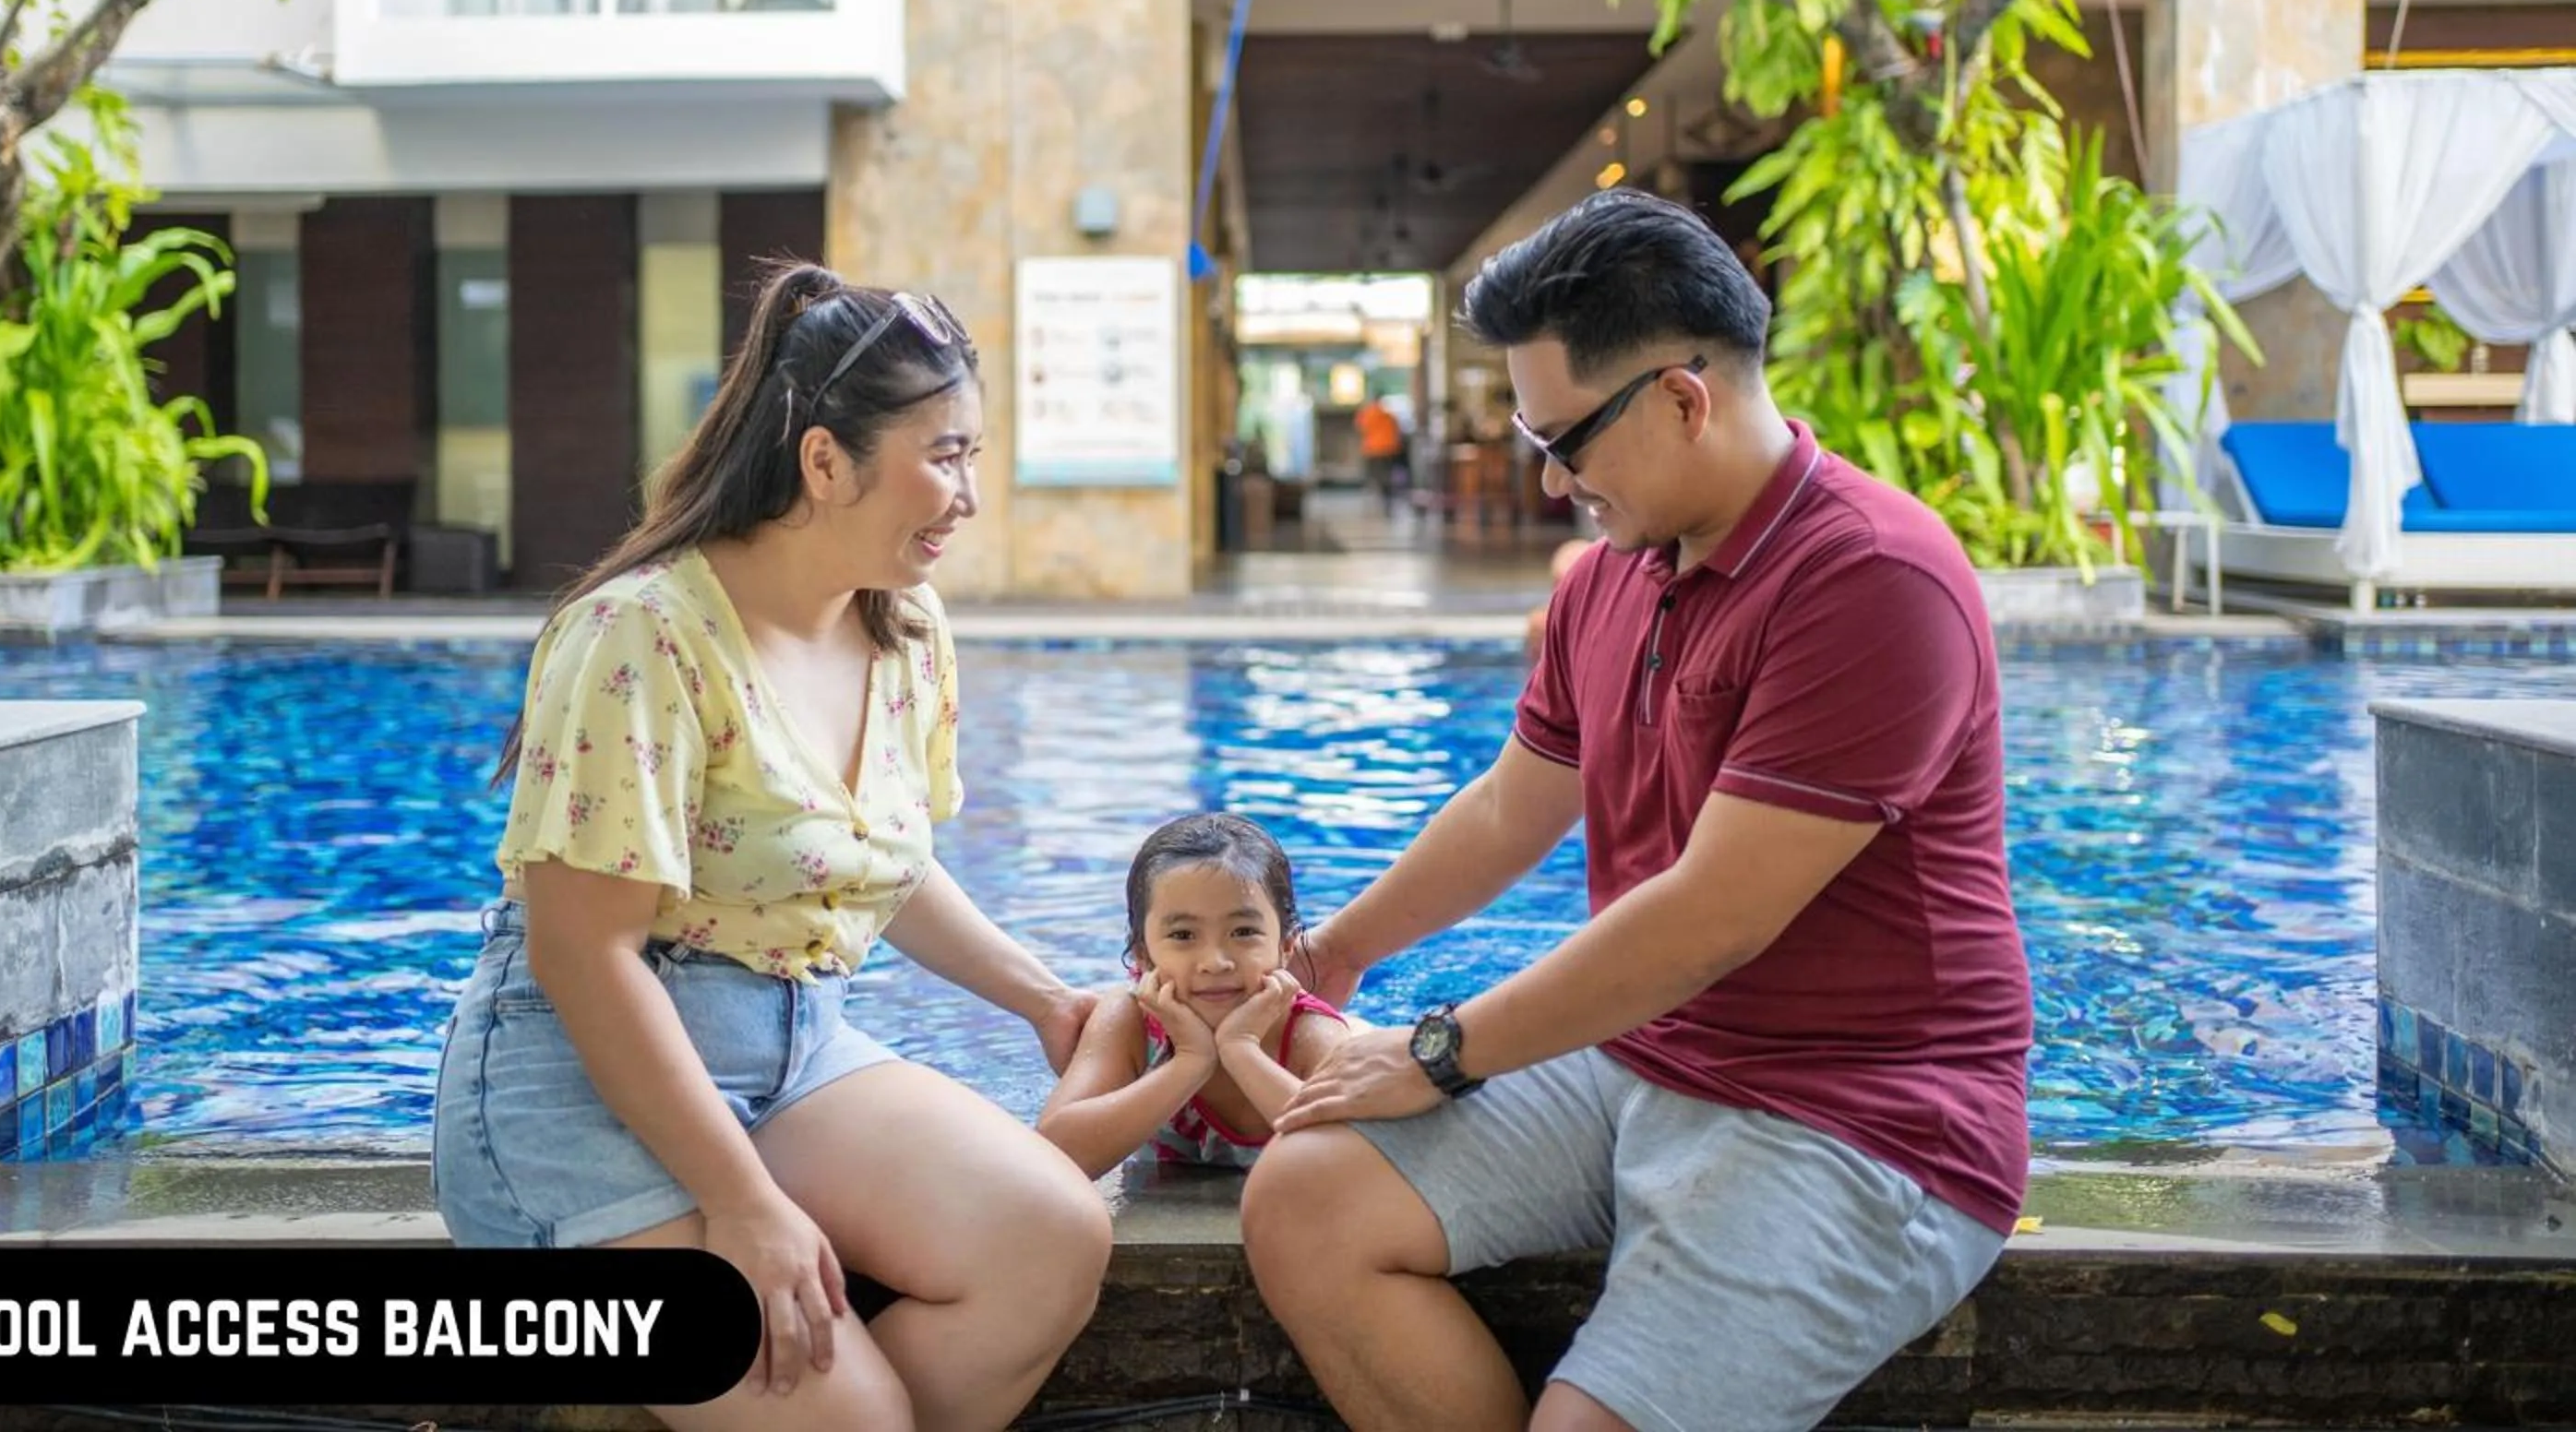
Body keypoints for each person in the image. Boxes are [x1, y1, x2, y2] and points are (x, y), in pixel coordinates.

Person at [1243, 192, 2030, 1432]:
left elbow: (1714, 918)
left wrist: (1437, 1052)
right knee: (1304, 1201)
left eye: (1567, 442)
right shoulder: (1614, 576)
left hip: (1864, 1120)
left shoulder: (1872, 579)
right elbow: (1515, 804)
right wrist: (1337, 951)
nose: (1553, 482)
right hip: (1650, 1064)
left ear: (1680, 397)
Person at [431, 263, 1112, 1432]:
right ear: (824, 461)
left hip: (797, 1051)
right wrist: (741, 1202)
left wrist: (1045, 1000)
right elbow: (583, 957)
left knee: (1052, 1238)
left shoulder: (904, 629)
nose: (969, 494)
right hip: (581, 1092)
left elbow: (871, 861)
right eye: (944, 454)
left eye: (976, 454)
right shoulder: (639, 636)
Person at [1036, 815, 1354, 1178]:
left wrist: (1242, 1049)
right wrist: (1190, 1061)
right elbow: (1052, 1156)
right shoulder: (1131, 1019)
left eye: (1244, 931)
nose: (1215, 962)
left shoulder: (1309, 1034)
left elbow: (1358, 1161)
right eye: (1184, 935)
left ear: (1285, 947)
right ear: (1143, 954)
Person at [1356, 394, 1407, 512]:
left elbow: (1360, 427)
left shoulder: (1367, 413)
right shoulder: (1389, 415)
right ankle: (1386, 497)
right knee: (1386, 474)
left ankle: (1377, 497)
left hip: (1373, 450)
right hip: (1389, 449)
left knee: (1375, 475)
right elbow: (1397, 430)